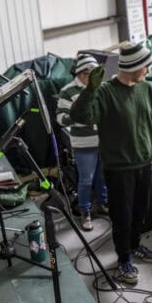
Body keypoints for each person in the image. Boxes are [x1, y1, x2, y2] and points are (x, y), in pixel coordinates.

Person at [70, 42, 152, 285]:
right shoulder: (105, 93)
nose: (148, 67)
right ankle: (123, 259)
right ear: (133, 66)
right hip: (118, 168)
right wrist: (89, 91)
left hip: (143, 164)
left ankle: (134, 246)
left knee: (140, 212)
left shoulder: (148, 90)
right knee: (122, 216)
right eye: (145, 64)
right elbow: (80, 116)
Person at [56, 54, 109, 231]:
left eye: (94, 75)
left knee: (103, 177)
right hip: (84, 145)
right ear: (80, 74)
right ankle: (84, 211)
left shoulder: (101, 88)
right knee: (86, 180)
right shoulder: (68, 91)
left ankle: (103, 204)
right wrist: (80, 118)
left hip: (103, 142)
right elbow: (60, 118)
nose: (91, 78)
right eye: (88, 74)